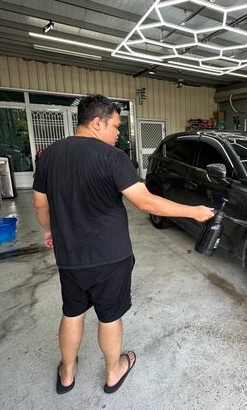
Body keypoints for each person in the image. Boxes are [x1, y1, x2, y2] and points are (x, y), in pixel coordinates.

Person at [33, 94, 214, 394]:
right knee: (109, 317)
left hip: (70, 257)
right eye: (116, 126)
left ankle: (67, 373)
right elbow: (145, 202)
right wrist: (193, 212)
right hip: (110, 256)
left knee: (72, 313)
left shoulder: (50, 155)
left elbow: (40, 204)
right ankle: (113, 371)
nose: (119, 133)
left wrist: (49, 229)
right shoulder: (112, 158)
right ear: (97, 123)